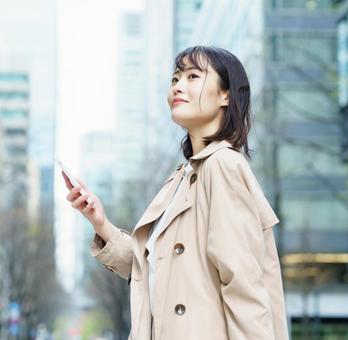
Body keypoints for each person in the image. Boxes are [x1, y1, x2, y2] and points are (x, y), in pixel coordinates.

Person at [63, 46, 289, 340]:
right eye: (175, 79)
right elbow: (152, 270)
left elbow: (244, 285)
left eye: (193, 76)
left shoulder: (222, 166)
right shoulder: (184, 177)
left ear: (226, 95)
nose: (178, 86)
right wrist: (100, 222)